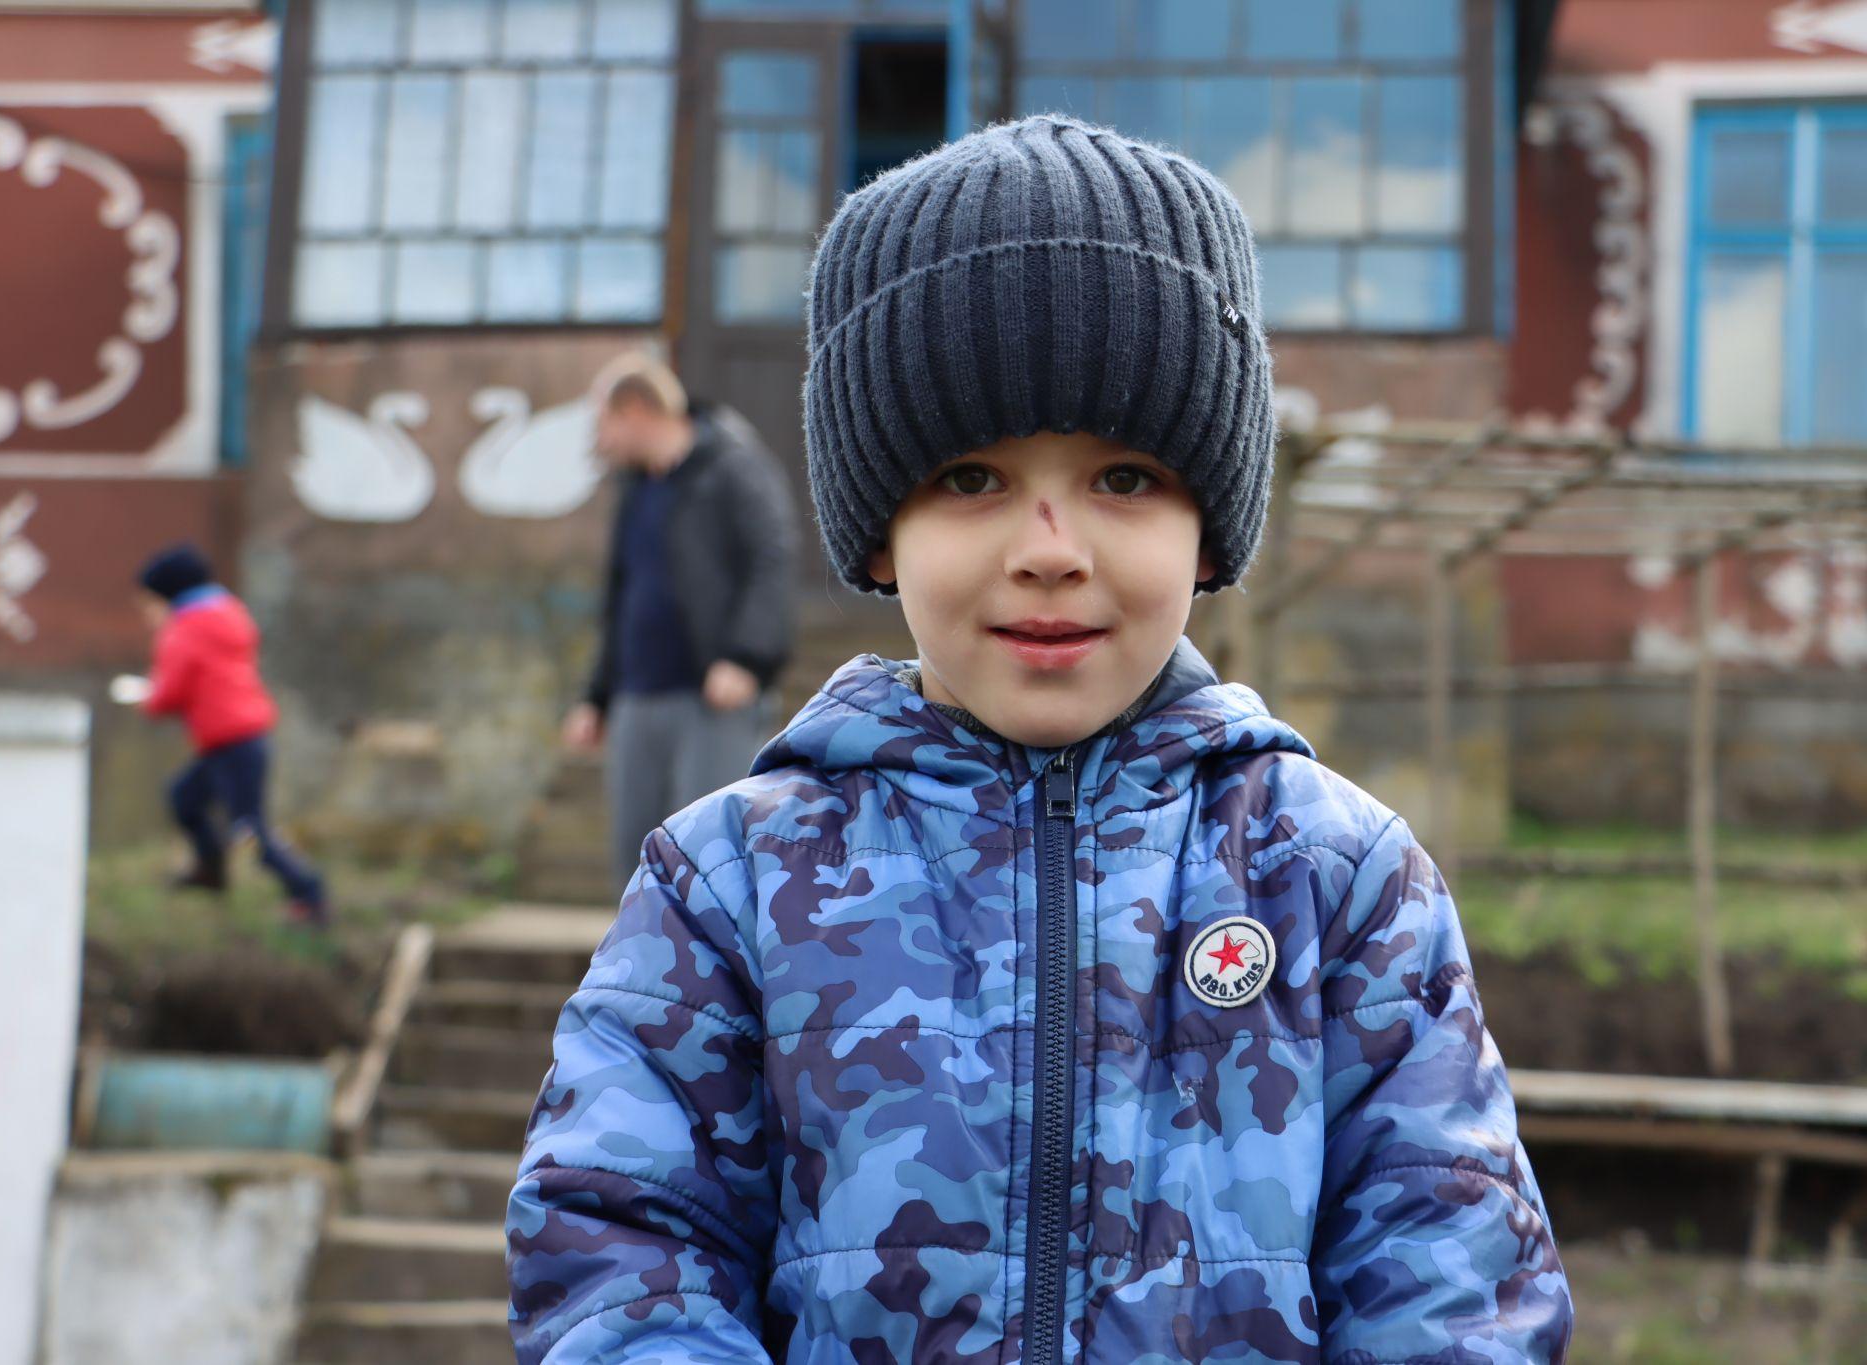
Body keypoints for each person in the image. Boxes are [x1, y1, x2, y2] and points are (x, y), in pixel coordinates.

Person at [507, 117, 1571, 1363]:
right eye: (970, 479)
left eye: (1122, 478)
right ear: (877, 532)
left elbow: (1455, 1281)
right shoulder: (730, 889)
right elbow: (617, 1247)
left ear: (1210, 529)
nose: (1048, 547)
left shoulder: (1336, 881)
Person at [560, 353, 799, 885]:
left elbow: (772, 558)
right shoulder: (636, 489)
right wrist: (595, 697)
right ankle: (641, 968)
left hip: (711, 697)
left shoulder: (732, 466)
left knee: (708, 857)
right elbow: (621, 596)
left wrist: (746, 657)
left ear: (637, 408)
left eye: (604, 422)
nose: (601, 440)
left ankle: (714, 971)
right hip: (636, 698)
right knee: (635, 858)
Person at [117, 543, 327, 927]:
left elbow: (170, 692)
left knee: (249, 829)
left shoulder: (184, 629)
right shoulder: (227, 613)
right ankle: (210, 871)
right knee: (185, 798)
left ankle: (309, 895)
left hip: (230, 739)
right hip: (240, 736)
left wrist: (145, 698)